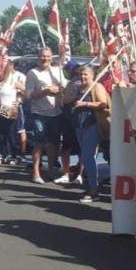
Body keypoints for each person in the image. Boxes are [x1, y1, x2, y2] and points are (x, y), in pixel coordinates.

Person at [26, 47, 67, 184]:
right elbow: (29, 95)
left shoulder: (57, 70)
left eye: (48, 56)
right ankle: (36, 172)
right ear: (38, 57)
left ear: (51, 57)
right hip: (39, 113)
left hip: (56, 112)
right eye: (43, 56)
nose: (45, 59)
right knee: (38, 143)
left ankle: (50, 170)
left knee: (53, 143)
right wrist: (46, 91)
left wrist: (61, 91)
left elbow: (65, 87)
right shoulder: (32, 73)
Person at [72, 65, 110, 203]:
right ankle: (91, 186)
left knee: (88, 156)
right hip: (79, 125)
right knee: (86, 157)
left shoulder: (97, 86)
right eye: (80, 74)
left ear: (93, 75)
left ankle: (94, 189)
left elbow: (103, 104)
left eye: (85, 74)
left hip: (92, 125)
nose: (82, 77)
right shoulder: (78, 87)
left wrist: (85, 104)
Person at [0, 59, 25, 165]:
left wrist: (19, 101)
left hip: (9, 108)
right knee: (0, 134)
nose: (0, 70)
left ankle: (14, 155)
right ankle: (2, 154)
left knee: (11, 133)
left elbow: (25, 92)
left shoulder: (13, 80)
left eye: (3, 67)